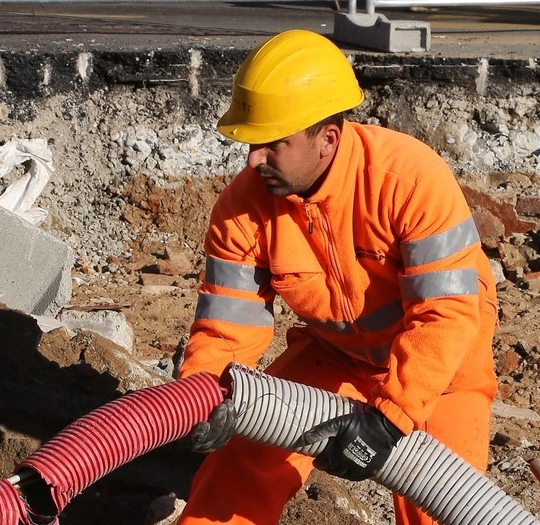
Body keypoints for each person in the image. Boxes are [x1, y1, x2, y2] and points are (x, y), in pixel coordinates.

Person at [174, 29, 499, 525]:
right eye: (252, 142)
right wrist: (202, 396)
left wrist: (390, 419)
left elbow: (447, 316)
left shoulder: (409, 181)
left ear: (327, 138)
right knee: (241, 465)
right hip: (336, 355)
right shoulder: (242, 209)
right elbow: (227, 327)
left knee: (443, 502)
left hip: (442, 361)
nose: (252, 160)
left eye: (272, 144)